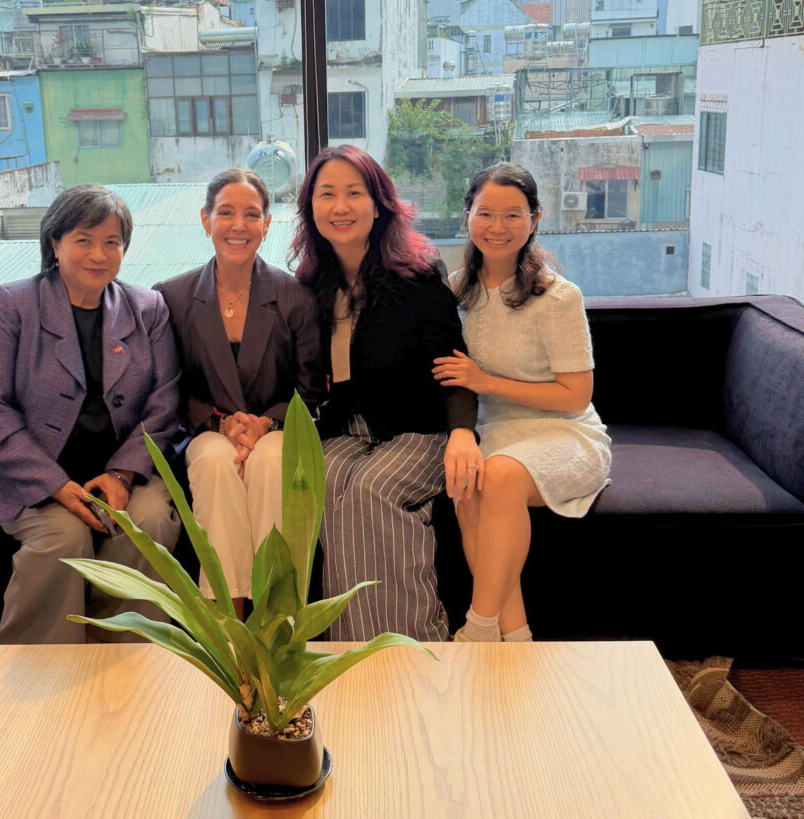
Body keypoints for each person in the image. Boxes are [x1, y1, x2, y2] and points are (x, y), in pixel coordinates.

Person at [0, 184, 182, 644]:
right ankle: (35, 659)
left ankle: (123, 644)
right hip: (33, 471)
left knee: (151, 522)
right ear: (55, 243)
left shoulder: (148, 309)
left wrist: (122, 475)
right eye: (84, 240)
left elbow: (164, 404)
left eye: (112, 242)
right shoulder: (15, 304)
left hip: (121, 470)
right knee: (65, 537)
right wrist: (56, 484)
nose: (98, 254)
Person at [290, 145, 480, 641]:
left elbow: (452, 364)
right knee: (326, 480)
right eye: (326, 194)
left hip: (420, 425)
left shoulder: (417, 274)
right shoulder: (312, 283)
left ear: (379, 205)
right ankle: (348, 645)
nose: (340, 206)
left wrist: (463, 433)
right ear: (311, 208)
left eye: (354, 193)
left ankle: (415, 640)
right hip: (350, 427)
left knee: (372, 489)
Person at [433, 162, 611, 643]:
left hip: (564, 432)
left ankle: (478, 627)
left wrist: (486, 382)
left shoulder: (557, 297)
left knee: (499, 476)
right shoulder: (455, 290)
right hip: (495, 432)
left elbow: (576, 396)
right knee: (468, 485)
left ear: (534, 221)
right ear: (467, 216)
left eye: (513, 215)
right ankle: (515, 638)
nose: (498, 226)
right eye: (485, 213)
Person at [156, 169, 323, 617]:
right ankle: (227, 619)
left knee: (271, 460)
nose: (238, 225)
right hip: (208, 428)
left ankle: (275, 616)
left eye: (251, 214)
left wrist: (265, 423)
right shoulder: (172, 296)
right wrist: (222, 422)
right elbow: (171, 388)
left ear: (267, 224)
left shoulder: (295, 297)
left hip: (278, 427)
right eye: (225, 212)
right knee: (215, 462)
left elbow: (310, 389)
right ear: (205, 219)